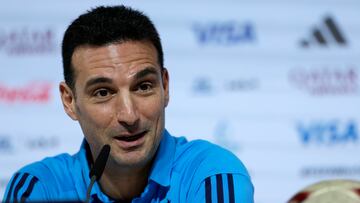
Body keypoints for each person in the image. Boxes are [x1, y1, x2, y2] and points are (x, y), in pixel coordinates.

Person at [3, 5, 254, 203]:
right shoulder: (38, 188)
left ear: (165, 87)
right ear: (69, 101)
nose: (129, 115)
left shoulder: (212, 176)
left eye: (143, 87)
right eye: (103, 92)